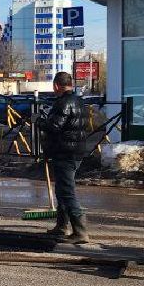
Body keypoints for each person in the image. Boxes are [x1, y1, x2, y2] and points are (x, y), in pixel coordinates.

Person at [41, 71, 91, 243]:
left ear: (56, 85)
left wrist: (38, 121)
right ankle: (61, 226)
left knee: (67, 191)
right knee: (62, 189)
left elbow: (54, 127)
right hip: (76, 152)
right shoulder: (80, 101)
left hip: (65, 152)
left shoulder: (63, 103)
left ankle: (80, 231)